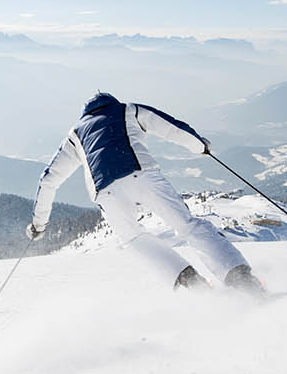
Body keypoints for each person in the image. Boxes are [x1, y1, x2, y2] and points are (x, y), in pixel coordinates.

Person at [26, 91, 266, 294]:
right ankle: (240, 278)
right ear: (110, 102)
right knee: (187, 226)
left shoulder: (76, 134)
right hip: (142, 174)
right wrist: (200, 146)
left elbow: (49, 180)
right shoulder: (128, 110)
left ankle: (190, 283)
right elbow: (171, 128)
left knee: (133, 238)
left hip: (107, 192)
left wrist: (39, 224)